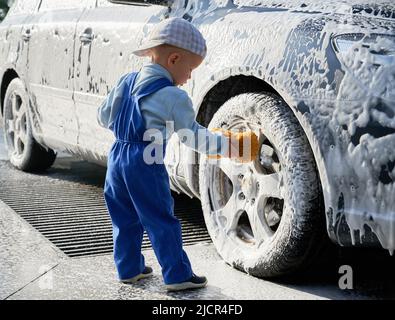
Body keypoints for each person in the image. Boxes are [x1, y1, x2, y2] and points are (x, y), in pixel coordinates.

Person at [97, 17, 259, 291]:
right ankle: (177, 274)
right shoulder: (173, 96)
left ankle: (129, 268)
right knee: (160, 219)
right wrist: (235, 146)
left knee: (124, 217)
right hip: (145, 162)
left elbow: (103, 117)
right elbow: (194, 137)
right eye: (191, 69)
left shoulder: (126, 81)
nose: (190, 77)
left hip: (116, 158)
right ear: (173, 59)